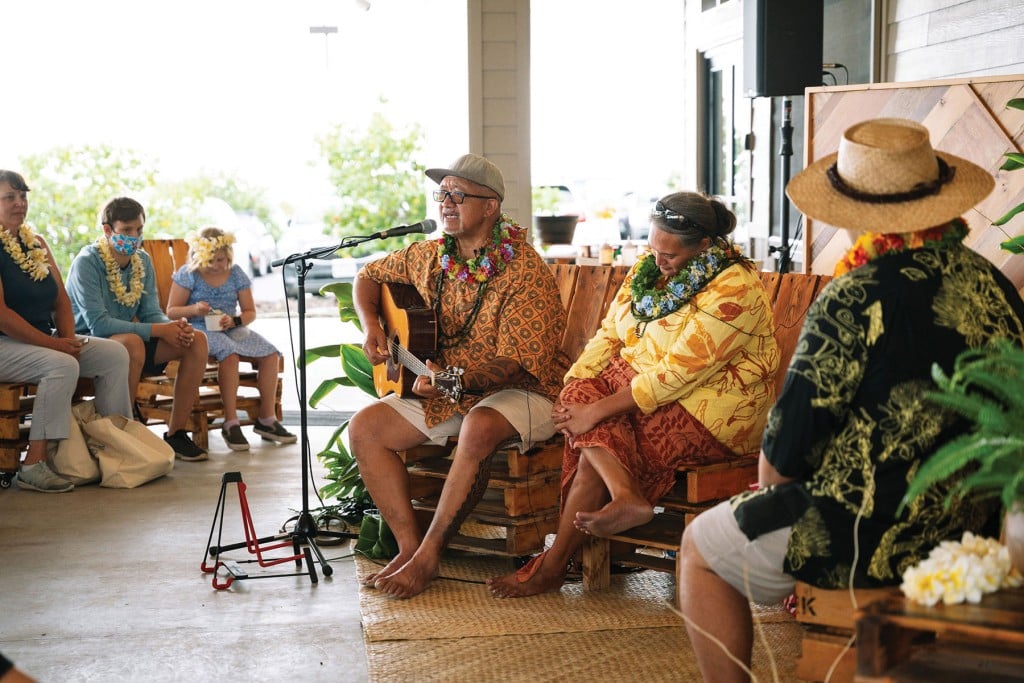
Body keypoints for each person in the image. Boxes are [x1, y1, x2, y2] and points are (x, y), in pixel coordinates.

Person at [678, 118, 1024, 682]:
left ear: (857, 212)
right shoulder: (993, 284)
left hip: (868, 533)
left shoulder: (854, 295)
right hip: (976, 530)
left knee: (699, 546)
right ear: (938, 199)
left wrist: (771, 492)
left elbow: (784, 456)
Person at [487, 191, 780, 598]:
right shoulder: (649, 268)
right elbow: (609, 334)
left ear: (706, 247)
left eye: (671, 255)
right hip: (636, 391)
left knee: (599, 428)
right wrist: (571, 392)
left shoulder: (735, 288)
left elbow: (678, 374)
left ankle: (555, 565)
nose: (658, 261)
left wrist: (594, 411)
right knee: (591, 412)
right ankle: (623, 497)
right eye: (653, 248)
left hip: (712, 410)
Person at [348, 153, 568, 599]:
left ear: (490, 207)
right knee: (366, 427)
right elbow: (368, 276)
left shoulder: (523, 270)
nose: (446, 203)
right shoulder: (428, 256)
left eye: (458, 195)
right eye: (442, 193)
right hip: (445, 387)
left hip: (523, 389)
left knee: (480, 423)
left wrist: (456, 381)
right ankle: (408, 547)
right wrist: (372, 325)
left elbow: (517, 362)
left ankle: (429, 556)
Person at [0, 170, 132, 493]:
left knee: (114, 354)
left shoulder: (36, 243)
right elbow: (2, 316)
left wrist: (67, 339)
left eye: (23, 196)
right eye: (9, 198)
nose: (20, 203)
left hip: (44, 343)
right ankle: (34, 463)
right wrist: (55, 347)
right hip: (5, 343)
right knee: (62, 364)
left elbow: (60, 301)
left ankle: (116, 448)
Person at [65, 197, 210, 462]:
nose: (135, 237)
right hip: (86, 342)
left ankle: (176, 433)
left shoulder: (142, 260)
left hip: (132, 339)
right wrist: (158, 330)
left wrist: (174, 327)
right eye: (127, 230)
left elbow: (150, 312)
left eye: (139, 230)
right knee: (132, 342)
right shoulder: (87, 262)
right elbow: (100, 324)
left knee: (196, 340)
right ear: (108, 230)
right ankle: (125, 437)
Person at [165, 226, 295, 450]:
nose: (220, 265)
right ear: (201, 257)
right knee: (230, 354)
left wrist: (234, 320)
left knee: (270, 353)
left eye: (224, 259)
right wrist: (195, 309)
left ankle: (267, 419)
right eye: (215, 260)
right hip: (199, 329)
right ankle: (231, 421)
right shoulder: (189, 274)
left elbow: (249, 312)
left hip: (231, 327)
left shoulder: (235, 273)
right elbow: (171, 311)